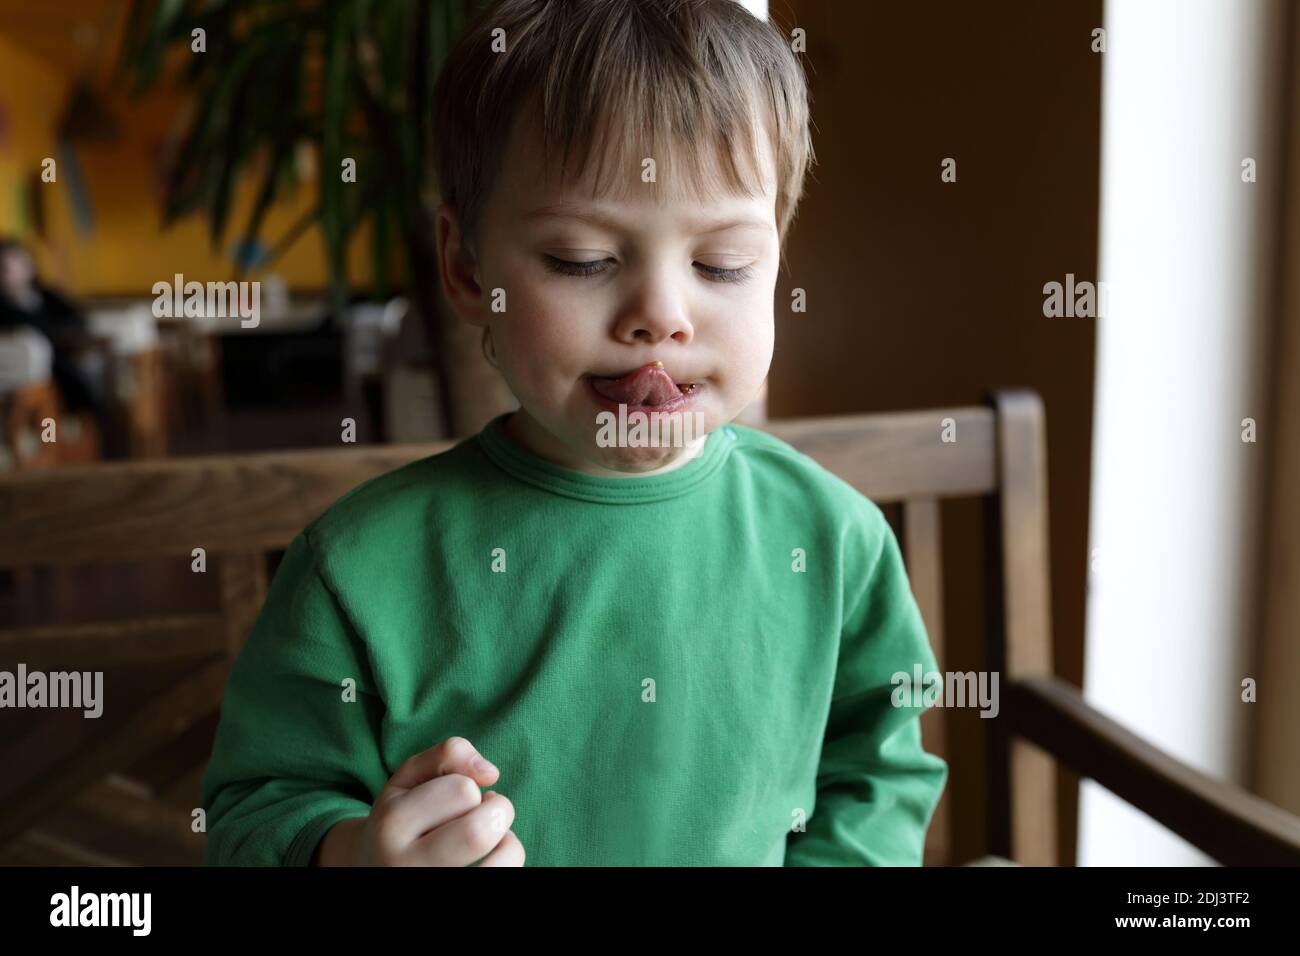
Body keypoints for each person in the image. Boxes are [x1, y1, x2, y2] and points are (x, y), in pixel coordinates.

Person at [200, 0, 947, 867]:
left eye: (723, 264)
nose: (660, 315)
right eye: (582, 260)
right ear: (467, 269)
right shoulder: (357, 569)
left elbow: (877, 778)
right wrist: (354, 853)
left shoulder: (834, 541)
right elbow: (255, 812)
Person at [0, 238, 103, 417]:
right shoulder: (4, 307)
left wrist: (66, 336)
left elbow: (77, 319)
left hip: (63, 355)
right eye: (5, 269)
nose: (11, 274)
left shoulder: (46, 295)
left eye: (17, 266)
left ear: (30, 268)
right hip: (35, 369)